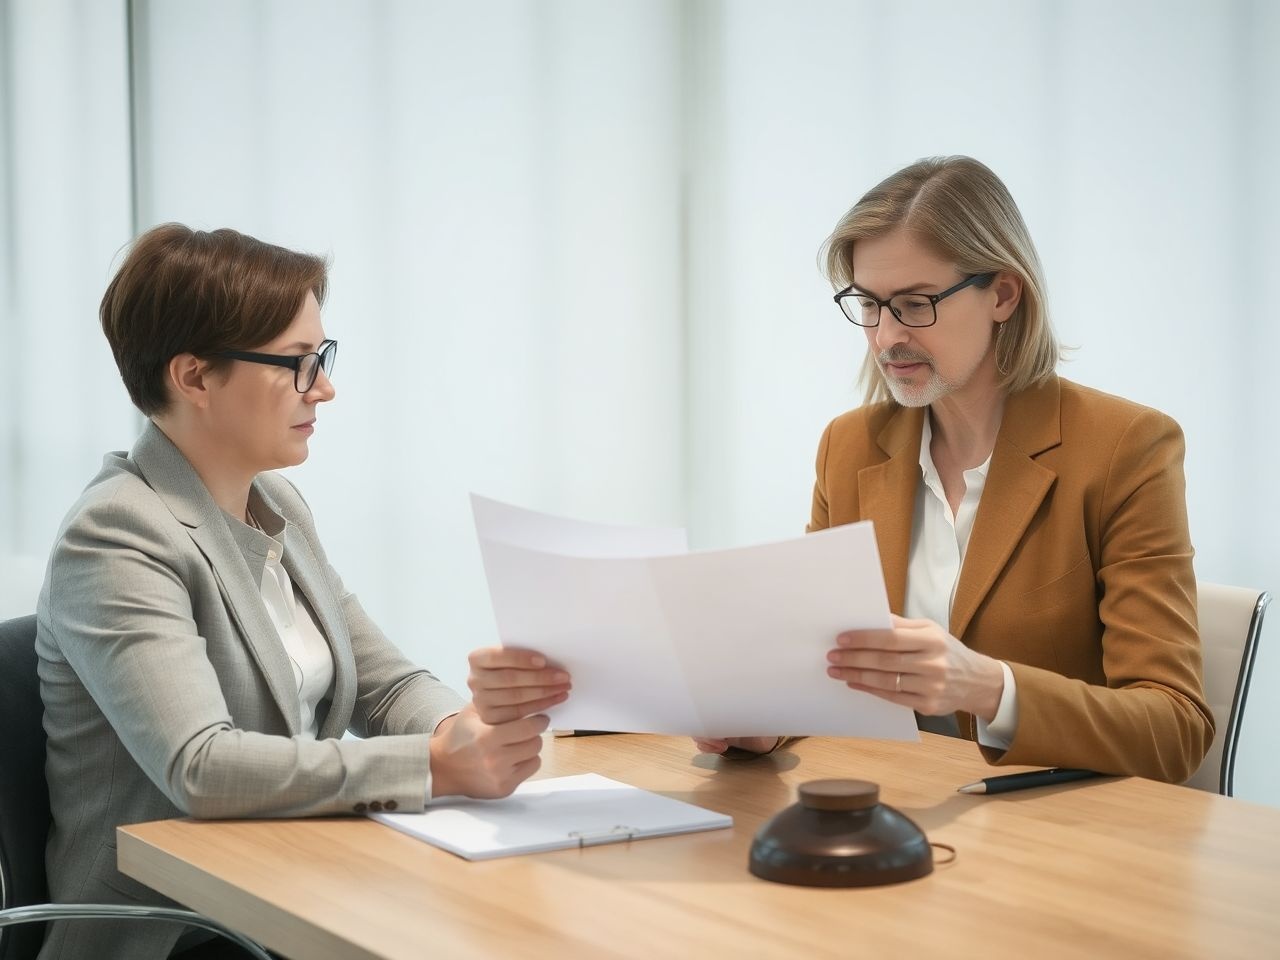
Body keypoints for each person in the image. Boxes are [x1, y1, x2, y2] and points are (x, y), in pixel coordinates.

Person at [34, 224, 571, 960]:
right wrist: (436, 766)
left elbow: (387, 685)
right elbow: (203, 768)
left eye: (322, 358)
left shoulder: (275, 504)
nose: (324, 386)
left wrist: (462, 728)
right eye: (297, 364)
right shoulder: (117, 535)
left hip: (283, 886)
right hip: (180, 930)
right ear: (193, 378)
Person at [698, 156, 1213, 781]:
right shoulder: (850, 446)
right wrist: (765, 721)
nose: (887, 337)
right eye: (869, 304)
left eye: (915, 304)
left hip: (1056, 833)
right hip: (899, 811)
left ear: (1001, 293)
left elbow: (1175, 728)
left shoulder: (1126, 447)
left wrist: (989, 687)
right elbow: (826, 668)